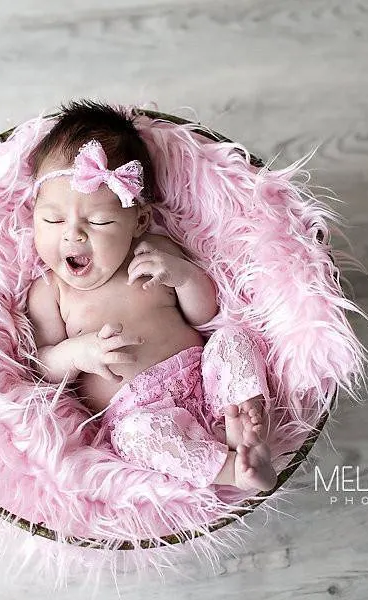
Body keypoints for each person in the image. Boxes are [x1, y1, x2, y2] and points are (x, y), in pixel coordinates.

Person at [25, 100, 277, 491]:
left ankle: (241, 423)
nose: (73, 234)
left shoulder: (154, 253)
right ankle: (233, 470)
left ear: (138, 221)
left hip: (200, 375)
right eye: (52, 219)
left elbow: (204, 314)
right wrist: (78, 353)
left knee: (232, 339)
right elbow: (44, 366)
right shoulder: (50, 292)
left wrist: (184, 277)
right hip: (137, 411)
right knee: (132, 438)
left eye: (99, 221)